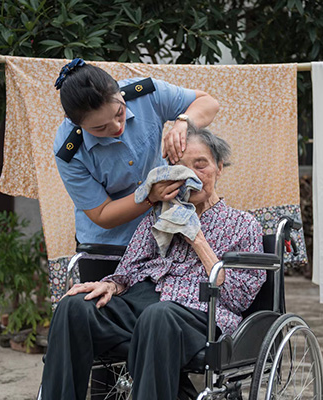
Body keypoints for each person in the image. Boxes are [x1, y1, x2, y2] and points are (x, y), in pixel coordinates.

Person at [41, 125, 266, 400]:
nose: (191, 176)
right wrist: (112, 285)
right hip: (144, 302)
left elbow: (238, 298)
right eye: (181, 169)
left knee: (158, 317)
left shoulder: (243, 225)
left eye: (200, 165)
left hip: (198, 313)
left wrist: (197, 239)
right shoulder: (160, 215)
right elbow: (129, 268)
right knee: (74, 307)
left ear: (219, 167)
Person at [53, 58, 220, 246]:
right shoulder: (69, 151)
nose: (117, 127)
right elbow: (102, 214)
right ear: (74, 122)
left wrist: (183, 122)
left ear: (119, 91)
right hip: (110, 246)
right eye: (100, 128)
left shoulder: (145, 95)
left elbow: (208, 102)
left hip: (166, 229)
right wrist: (149, 196)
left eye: (119, 113)